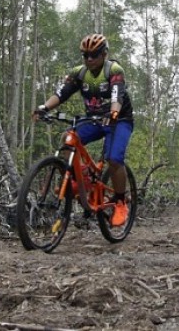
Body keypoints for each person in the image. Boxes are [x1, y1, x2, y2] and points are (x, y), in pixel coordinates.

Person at [34, 33, 133, 226]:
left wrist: (113, 113)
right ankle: (79, 178)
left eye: (94, 55)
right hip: (94, 119)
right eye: (85, 55)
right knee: (68, 138)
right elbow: (61, 94)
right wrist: (44, 108)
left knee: (114, 159)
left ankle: (120, 202)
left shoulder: (114, 70)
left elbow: (117, 97)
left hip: (119, 120)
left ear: (104, 54)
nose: (89, 59)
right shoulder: (79, 73)